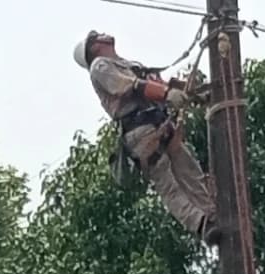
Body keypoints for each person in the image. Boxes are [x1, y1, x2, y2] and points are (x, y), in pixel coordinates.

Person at [81, 32, 218, 243]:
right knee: (168, 183)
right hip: (141, 133)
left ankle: (212, 215)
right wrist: (166, 95)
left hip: (160, 124)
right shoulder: (100, 66)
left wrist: (193, 95)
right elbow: (130, 86)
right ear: (94, 48)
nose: (104, 35)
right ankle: (200, 224)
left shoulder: (128, 64)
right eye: (97, 36)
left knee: (190, 170)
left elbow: (158, 85)